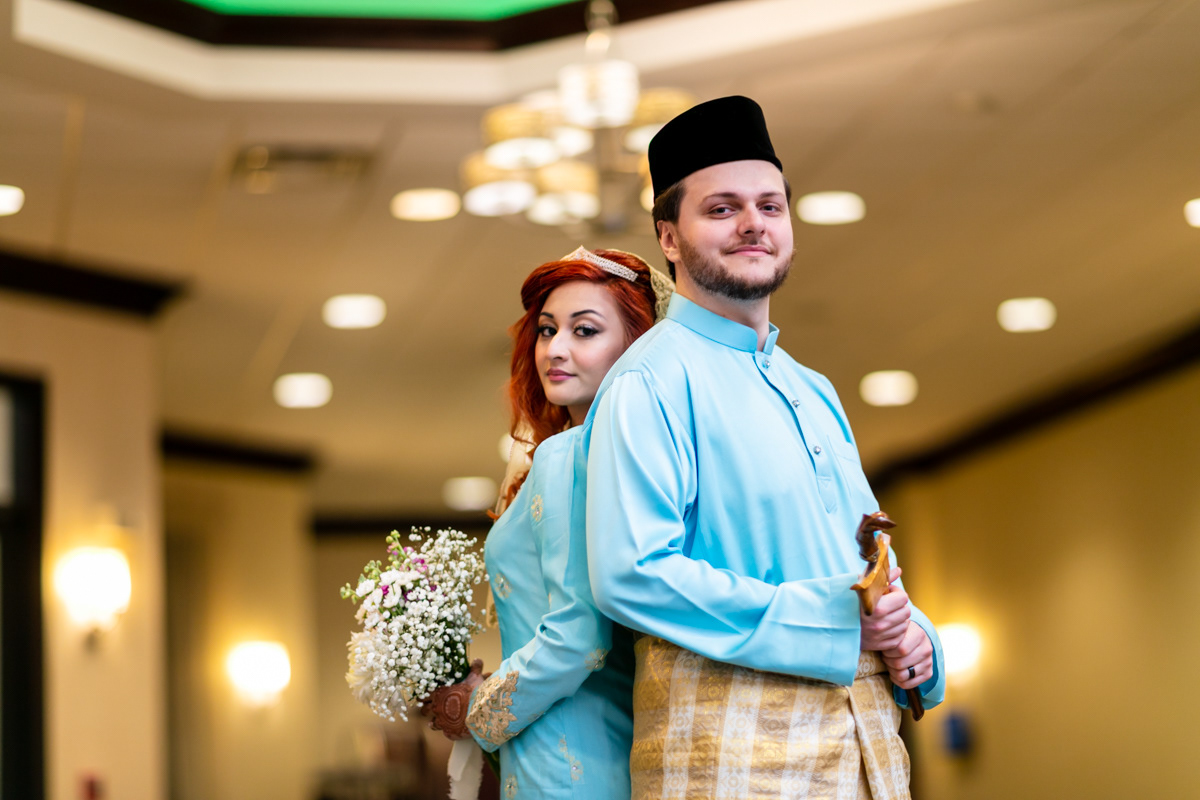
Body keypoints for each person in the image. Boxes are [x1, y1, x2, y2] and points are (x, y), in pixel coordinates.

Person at [582, 96, 946, 800]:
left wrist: (916, 637)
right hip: (731, 756)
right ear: (669, 237)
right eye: (722, 209)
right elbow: (630, 572)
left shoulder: (812, 387)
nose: (753, 223)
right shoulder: (650, 381)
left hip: (864, 749)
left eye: (770, 206)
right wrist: (830, 621)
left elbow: (867, 559)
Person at [424, 247, 671, 800]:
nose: (555, 349)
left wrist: (478, 711)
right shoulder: (627, 461)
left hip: (564, 762)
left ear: (637, 346)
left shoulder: (569, 453)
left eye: (585, 331)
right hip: (609, 747)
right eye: (546, 330)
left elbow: (579, 639)